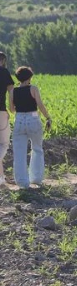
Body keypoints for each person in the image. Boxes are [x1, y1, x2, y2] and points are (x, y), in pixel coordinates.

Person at [10, 66, 52, 189]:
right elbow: (40, 105)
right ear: (29, 77)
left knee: (19, 153)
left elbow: (12, 109)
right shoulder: (33, 89)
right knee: (37, 149)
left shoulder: (13, 91)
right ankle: (36, 178)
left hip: (19, 120)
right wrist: (48, 117)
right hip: (33, 119)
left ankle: (22, 183)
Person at [0, 53, 15, 186]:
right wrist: (11, 108)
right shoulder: (4, 72)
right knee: (4, 144)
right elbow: (11, 91)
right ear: (3, 60)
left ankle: (1, 178)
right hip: (0, 111)